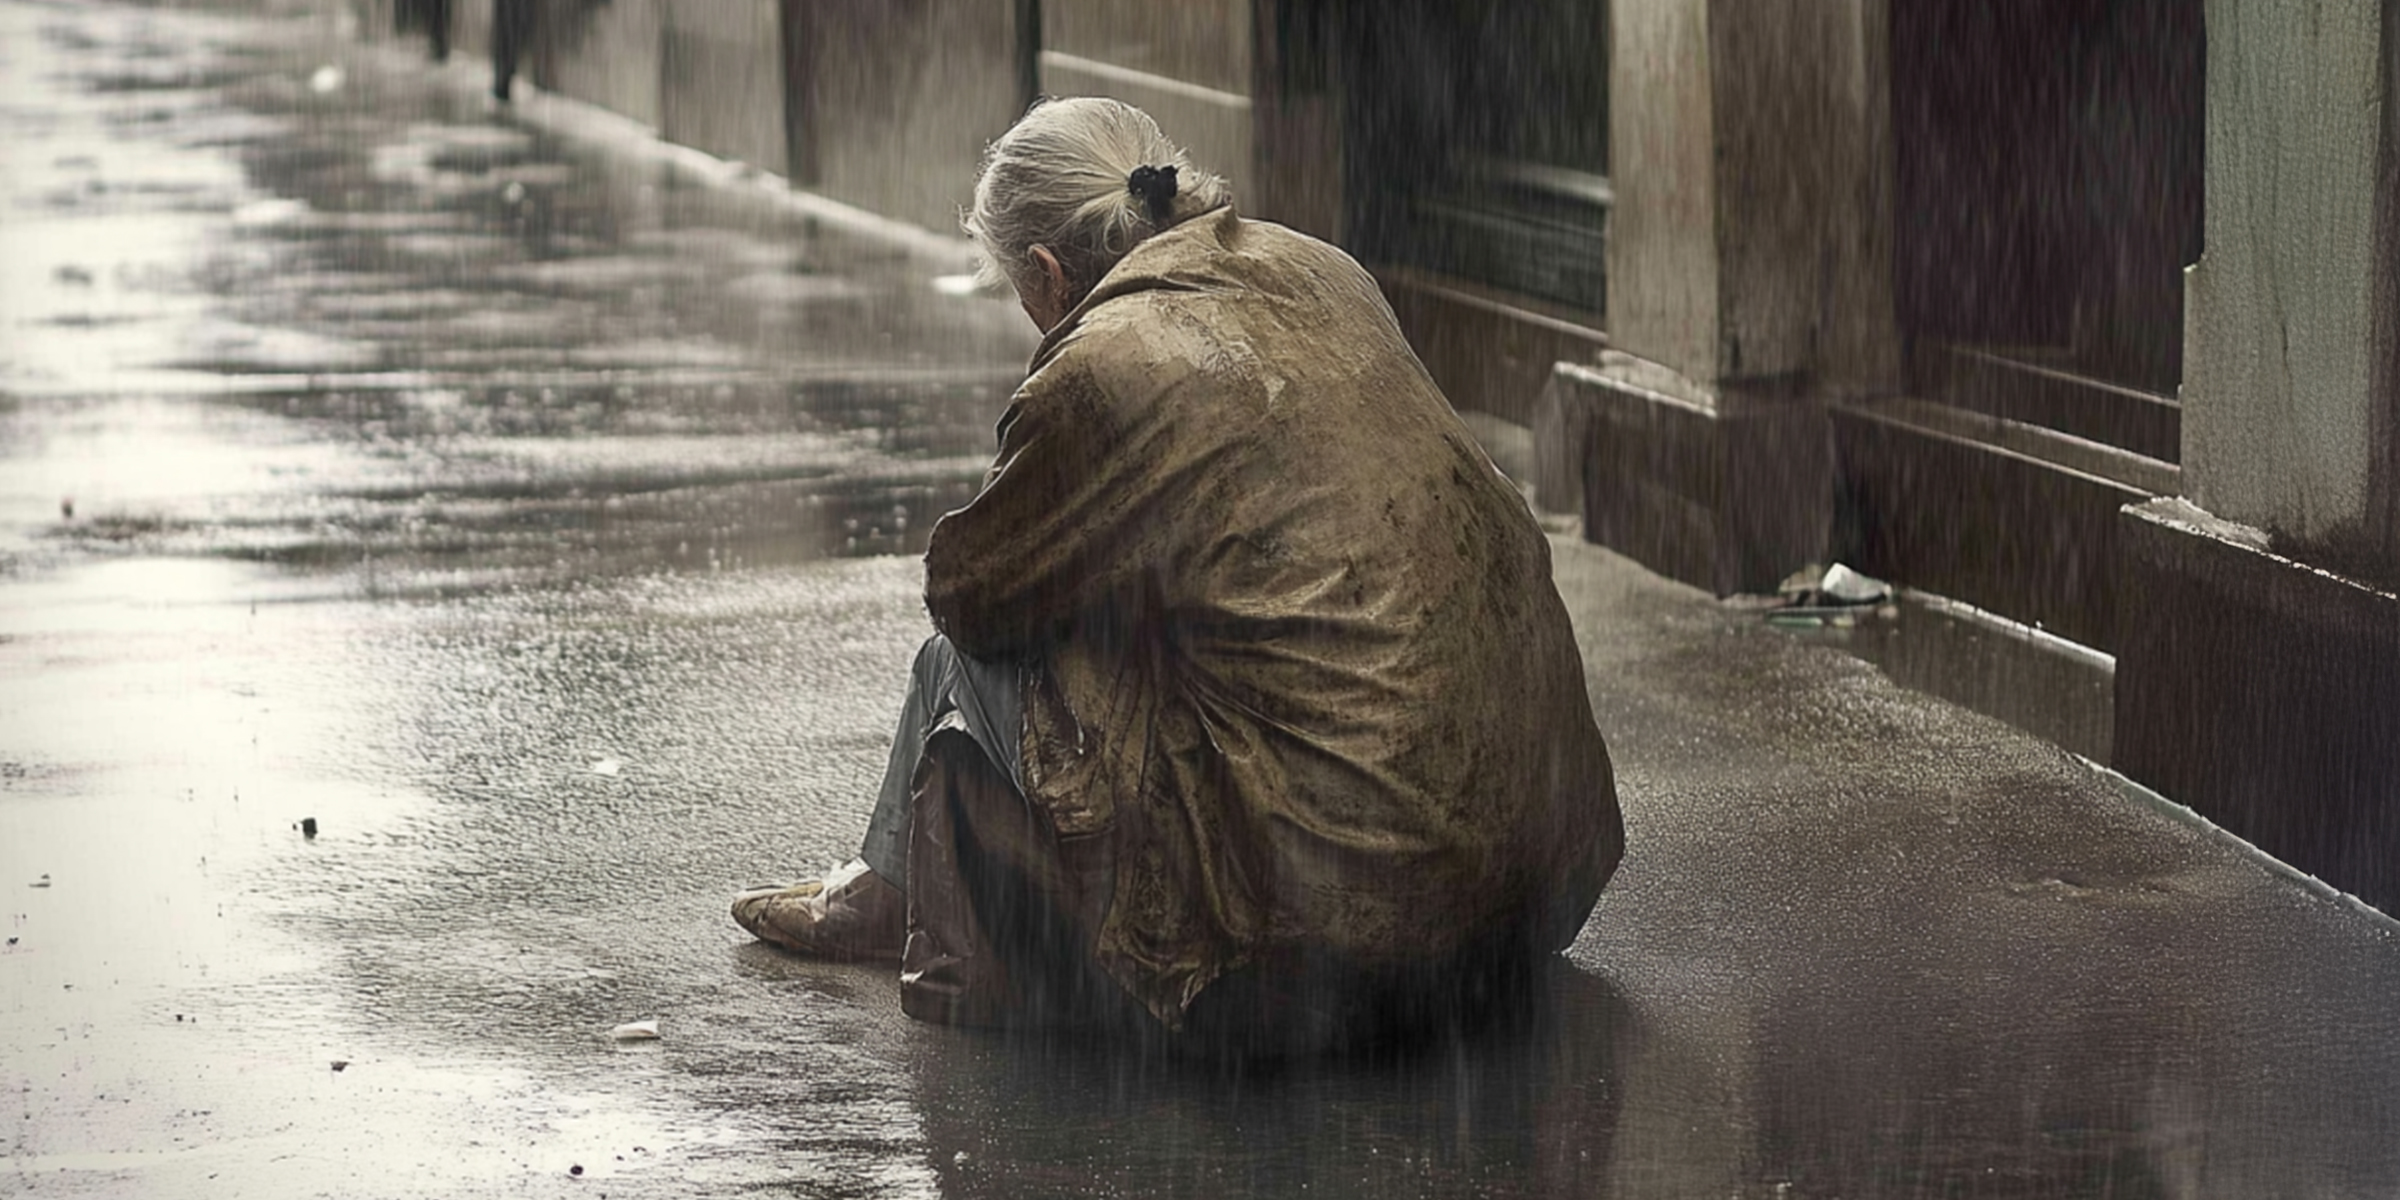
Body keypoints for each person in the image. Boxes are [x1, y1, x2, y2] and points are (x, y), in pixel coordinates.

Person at [731, 97, 1624, 1056]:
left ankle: (885, 892)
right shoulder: (1321, 268)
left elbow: (973, 594)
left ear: (1046, 271)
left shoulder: (1103, 360)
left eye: (1017, 292)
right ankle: (885, 882)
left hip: (1341, 944)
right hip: (1532, 889)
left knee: (958, 659)